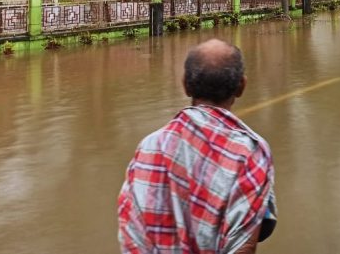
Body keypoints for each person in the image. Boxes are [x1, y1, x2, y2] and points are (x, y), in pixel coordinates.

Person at [118, 39, 276, 254]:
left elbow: (131, 231)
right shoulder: (249, 152)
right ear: (241, 86)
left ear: (185, 84)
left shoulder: (149, 146)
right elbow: (242, 244)